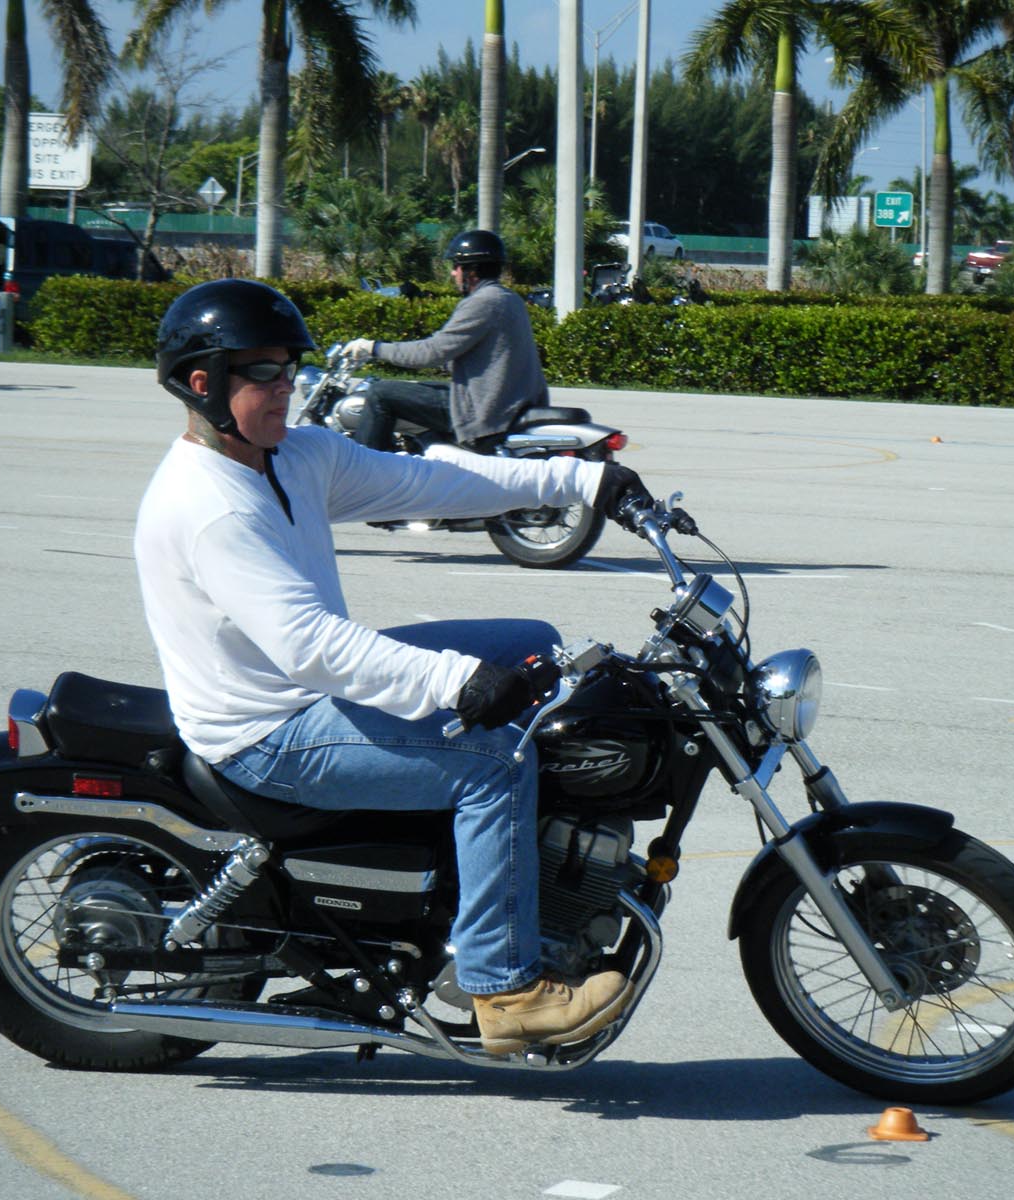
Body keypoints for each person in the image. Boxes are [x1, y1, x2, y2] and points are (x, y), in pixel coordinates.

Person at [135, 278, 654, 1055]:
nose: (285, 387)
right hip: (265, 732)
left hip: (304, 691)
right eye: (264, 372)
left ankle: (497, 884)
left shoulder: (293, 457)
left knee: (533, 642)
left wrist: (579, 478)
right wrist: (457, 683)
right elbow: (311, 644)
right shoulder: (209, 506)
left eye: (290, 369)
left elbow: (431, 480)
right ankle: (503, 989)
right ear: (202, 383)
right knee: (497, 763)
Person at [342, 229, 546, 452]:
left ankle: (365, 467)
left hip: (486, 411)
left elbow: (431, 353)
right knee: (422, 388)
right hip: (505, 403)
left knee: (379, 393)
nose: (452, 273)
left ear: (471, 270)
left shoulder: (484, 302)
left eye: (456, 266)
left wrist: (374, 348)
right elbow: (473, 354)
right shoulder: (509, 298)